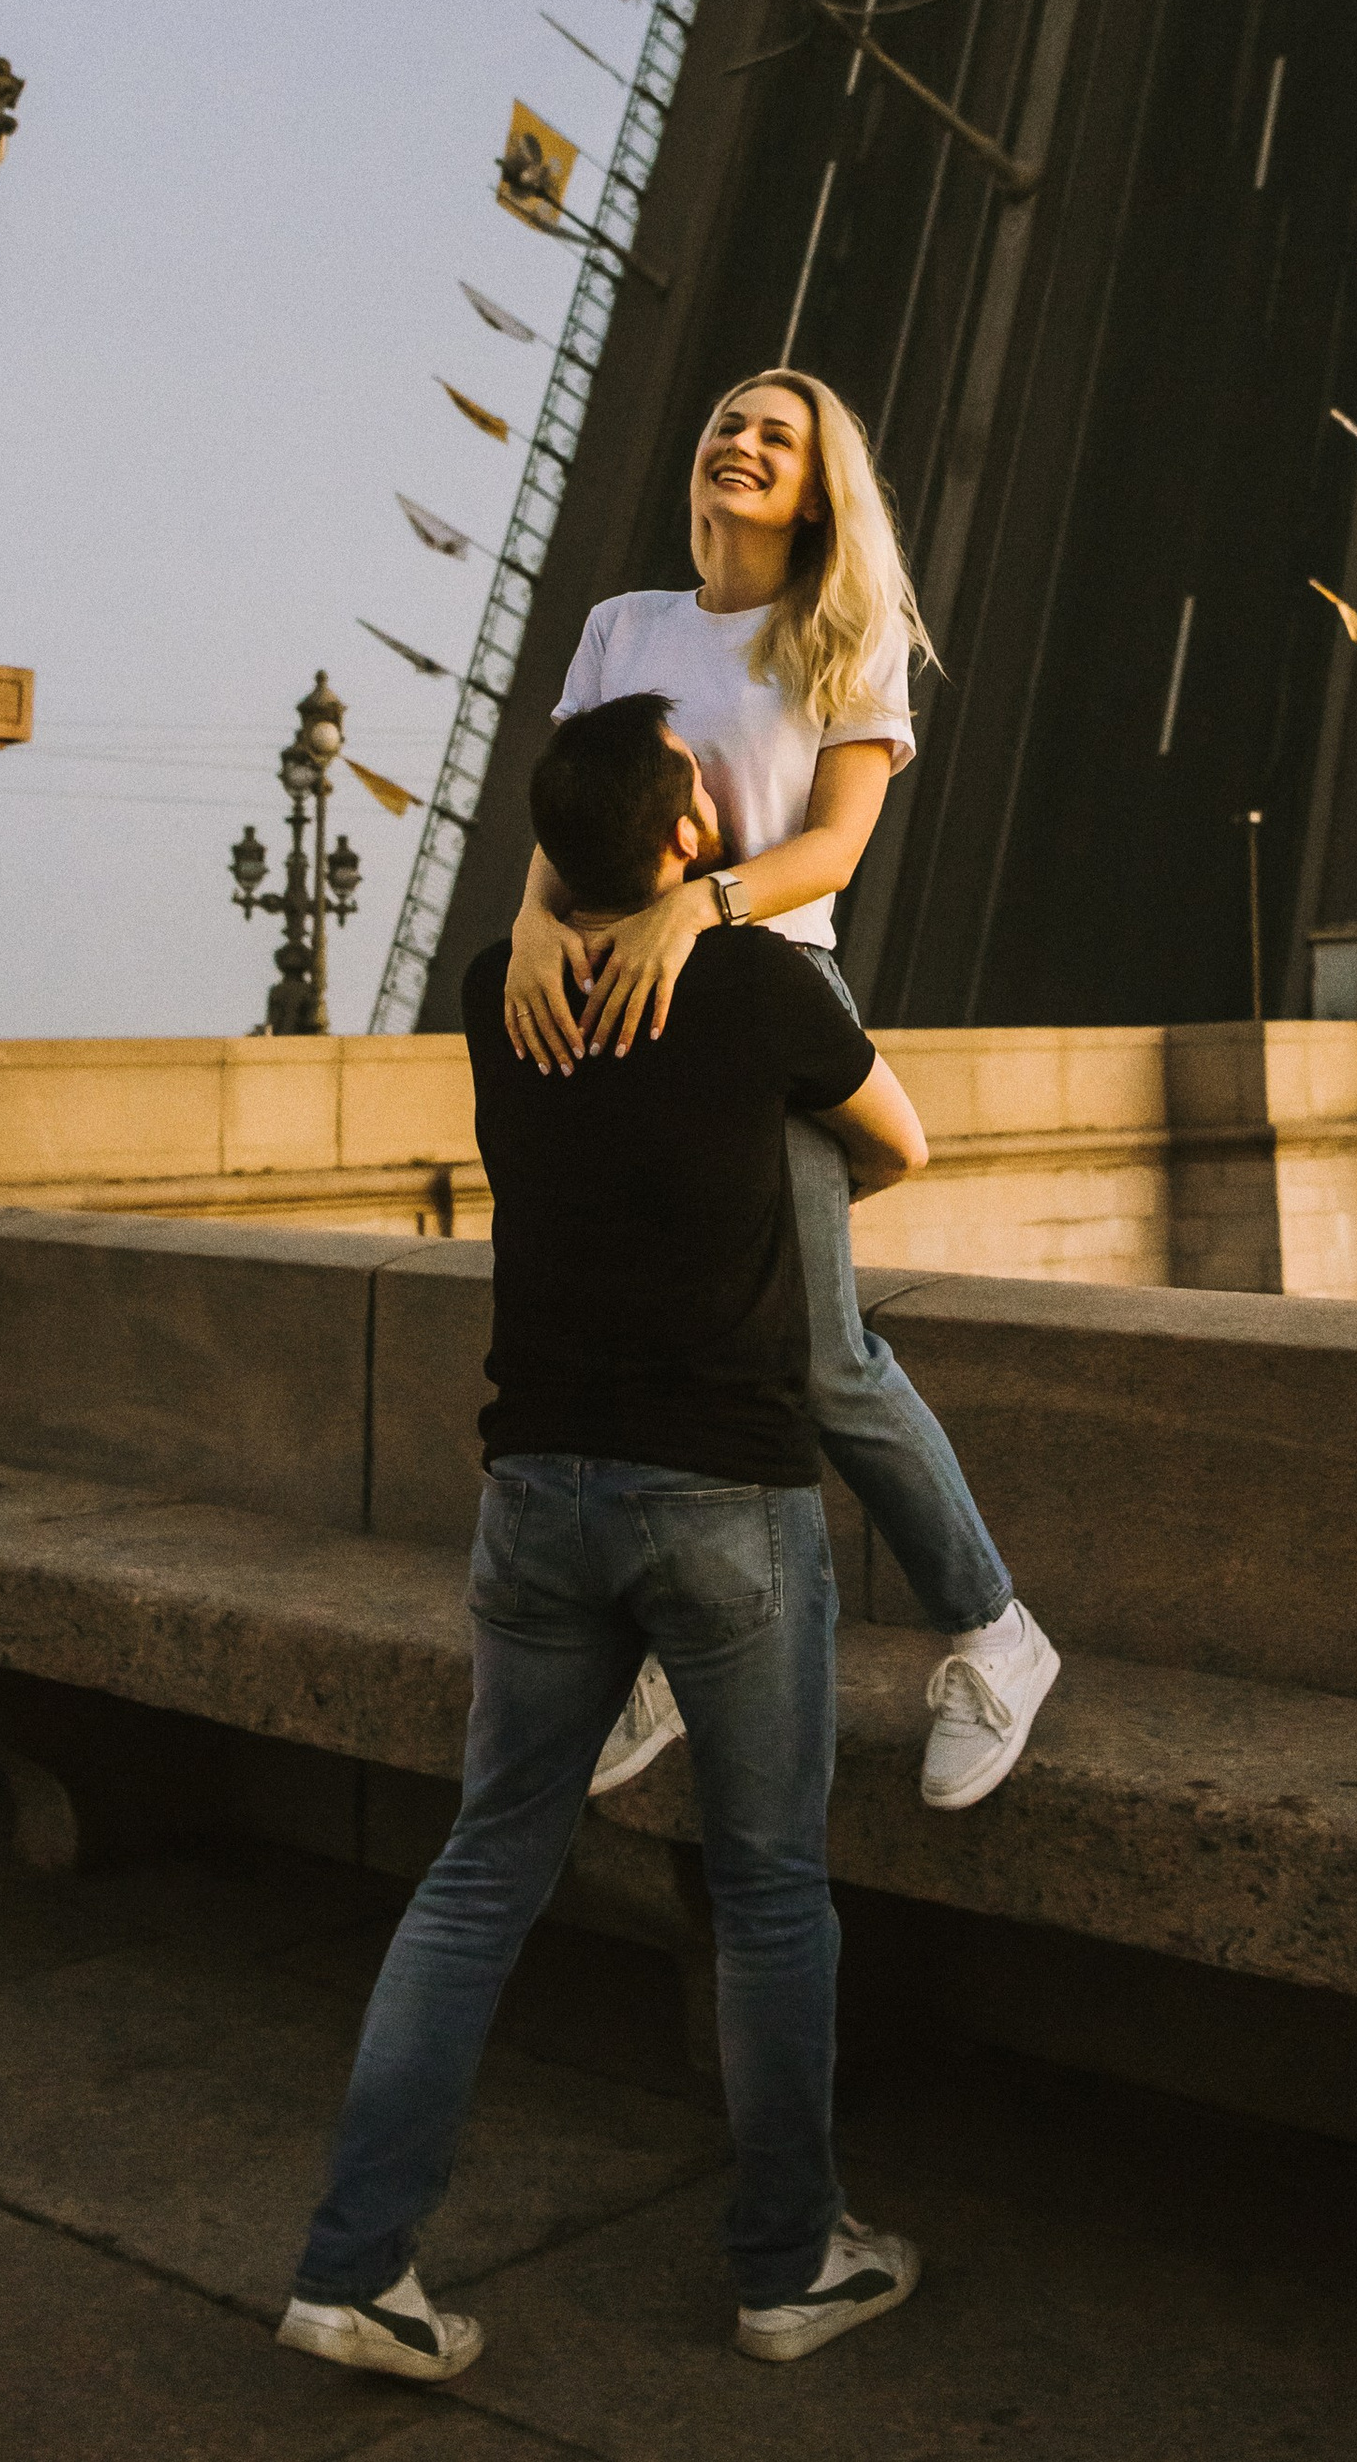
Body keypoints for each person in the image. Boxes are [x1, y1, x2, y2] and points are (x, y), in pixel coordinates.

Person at [281, 692, 929, 2386]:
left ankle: (353, 2266)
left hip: (537, 1491)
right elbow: (903, 1146)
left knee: (483, 1866)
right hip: (724, 1493)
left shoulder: (495, 999)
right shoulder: (764, 984)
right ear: (693, 833)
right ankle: (789, 2264)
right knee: (771, 1887)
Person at [503, 367, 1059, 1815]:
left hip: (763, 1000)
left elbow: (835, 848)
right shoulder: (621, 626)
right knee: (641, 1336)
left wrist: (700, 908)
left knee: (822, 1359)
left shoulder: (843, 631)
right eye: (726, 424)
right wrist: (528, 927)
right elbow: (571, 804)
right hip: (614, 1005)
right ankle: (663, 1648)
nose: (740, 443)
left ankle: (995, 1629)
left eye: (778, 435)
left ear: (817, 490)